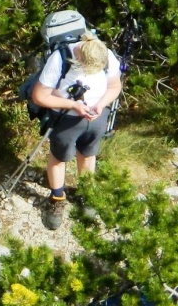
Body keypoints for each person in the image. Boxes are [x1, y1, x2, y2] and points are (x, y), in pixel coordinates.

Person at [31, 32, 122, 230]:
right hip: (65, 118)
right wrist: (73, 105)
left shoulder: (106, 56)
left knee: (88, 154)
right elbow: (39, 96)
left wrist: (101, 104)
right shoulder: (61, 58)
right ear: (80, 57)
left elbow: (115, 86)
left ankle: (86, 194)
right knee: (60, 156)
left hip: (96, 116)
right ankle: (57, 198)